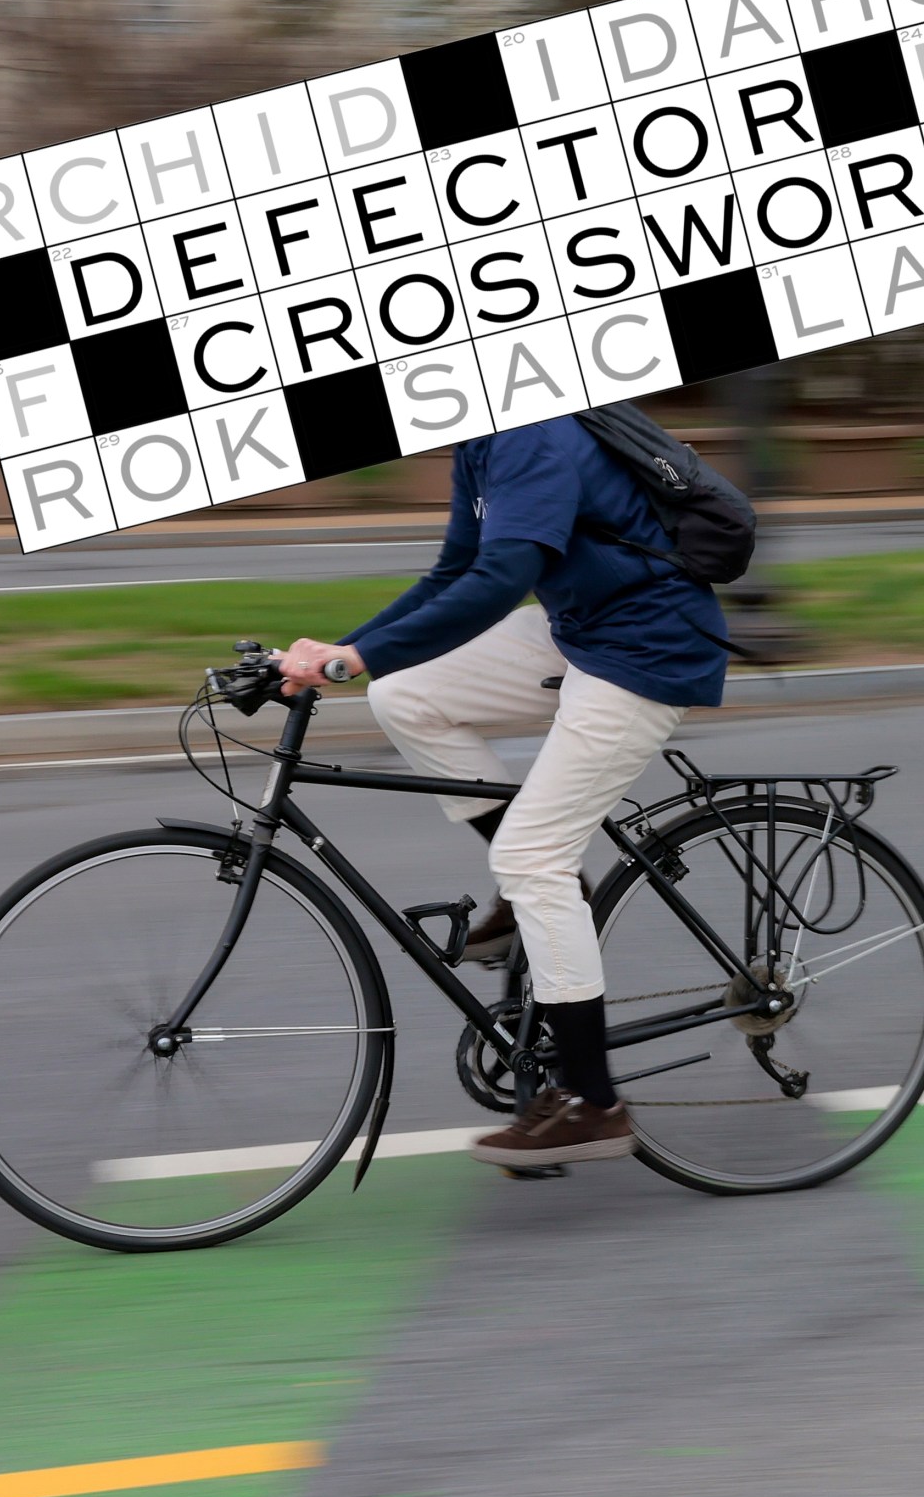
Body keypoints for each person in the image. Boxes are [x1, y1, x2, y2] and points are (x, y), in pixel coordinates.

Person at [277, 414, 733, 1169]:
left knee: (531, 856)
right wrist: (341, 653)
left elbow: (501, 579)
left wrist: (350, 659)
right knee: (406, 692)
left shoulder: (533, 431)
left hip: (647, 647)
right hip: (580, 630)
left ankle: (595, 1103)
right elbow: (453, 574)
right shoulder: (480, 444)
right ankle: (555, 893)